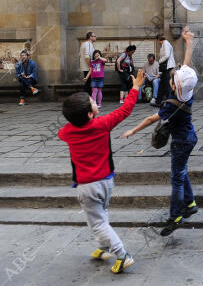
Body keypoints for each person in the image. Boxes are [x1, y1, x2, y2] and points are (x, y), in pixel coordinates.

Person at [58, 69, 145, 274]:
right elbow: (125, 111)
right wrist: (135, 88)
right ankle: (103, 247)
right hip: (107, 182)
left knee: (97, 223)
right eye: (93, 102)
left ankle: (122, 255)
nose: (96, 104)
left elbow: (64, 131)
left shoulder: (67, 132)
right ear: (91, 113)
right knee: (101, 216)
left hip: (87, 187)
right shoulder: (103, 124)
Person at [122, 27, 198, 236]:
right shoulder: (187, 93)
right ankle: (190, 203)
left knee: (176, 178)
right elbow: (187, 67)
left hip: (181, 141)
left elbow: (149, 118)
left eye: (172, 80)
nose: (171, 80)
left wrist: (133, 131)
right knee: (181, 171)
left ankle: (175, 216)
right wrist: (188, 43)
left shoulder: (172, 104)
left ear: (174, 86)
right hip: (189, 138)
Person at [155, 34, 175, 106]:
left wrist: (159, 61)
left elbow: (167, 55)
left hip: (168, 67)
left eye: (158, 40)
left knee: (167, 85)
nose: (158, 42)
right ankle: (158, 101)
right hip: (165, 68)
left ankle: (170, 102)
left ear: (159, 39)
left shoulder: (165, 44)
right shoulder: (165, 44)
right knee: (162, 84)